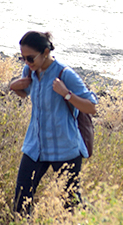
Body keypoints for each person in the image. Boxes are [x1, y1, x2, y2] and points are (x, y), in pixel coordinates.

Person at [8, 31, 97, 215]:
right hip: (36, 147)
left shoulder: (66, 74)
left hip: (65, 149)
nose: (27, 63)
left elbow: (91, 107)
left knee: (71, 205)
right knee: (21, 202)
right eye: (22, 58)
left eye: (30, 58)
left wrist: (67, 94)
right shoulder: (29, 71)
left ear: (46, 52)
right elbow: (28, 94)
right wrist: (16, 87)